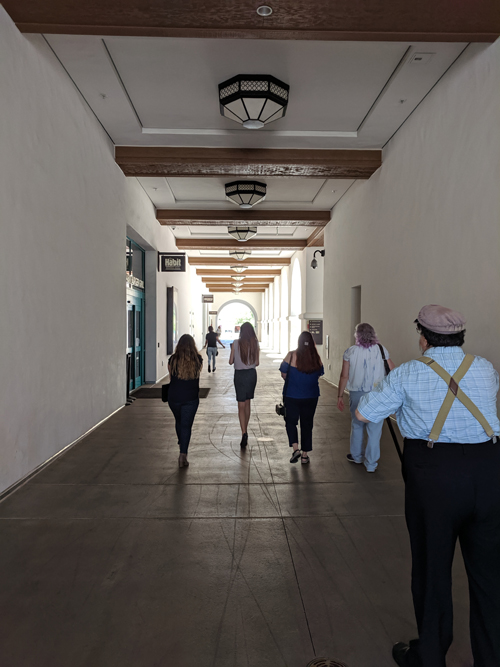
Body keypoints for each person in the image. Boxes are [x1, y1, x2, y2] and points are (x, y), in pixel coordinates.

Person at [354, 305, 500, 667]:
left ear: (423, 336)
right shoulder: (484, 368)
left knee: (433, 570)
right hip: (488, 471)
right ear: (460, 336)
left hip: (434, 475)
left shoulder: (407, 374)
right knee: (489, 575)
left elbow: (363, 413)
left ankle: (431, 656)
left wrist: (388, 394)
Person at [337, 323, 395, 472]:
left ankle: (357, 457)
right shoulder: (382, 350)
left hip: (357, 394)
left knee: (357, 425)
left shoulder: (350, 352)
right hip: (377, 395)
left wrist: (340, 395)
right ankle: (371, 464)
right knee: (375, 430)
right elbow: (393, 371)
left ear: (357, 335)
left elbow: (344, 375)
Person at [279, 331, 324, 464]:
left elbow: (283, 373)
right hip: (311, 396)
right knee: (307, 424)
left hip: (291, 395)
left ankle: (295, 449)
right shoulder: (316, 357)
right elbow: (319, 373)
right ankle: (304, 456)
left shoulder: (291, 355)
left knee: (291, 422)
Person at [167, 334, 203, 468]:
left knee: (179, 421)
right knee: (186, 426)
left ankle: (182, 441)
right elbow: (197, 374)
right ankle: (183, 454)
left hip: (174, 398)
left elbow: (171, 378)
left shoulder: (172, 359)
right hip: (191, 398)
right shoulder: (198, 359)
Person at [229, 321, 259, 448]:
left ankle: (244, 432)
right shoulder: (255, 343)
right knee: (247, 403)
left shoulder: (236, 343)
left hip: (239, 376)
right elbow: (257, 363)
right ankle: (246, 428)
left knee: (240, 405)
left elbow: (230, 361)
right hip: (251, 374)